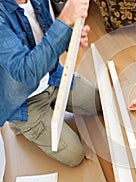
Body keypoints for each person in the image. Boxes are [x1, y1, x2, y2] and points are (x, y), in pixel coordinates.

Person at [0, 0, 102, 166]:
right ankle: (20, 124)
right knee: (75, 155)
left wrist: (68, 35)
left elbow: (46, 34)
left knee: (100, 101)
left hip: (53, 78)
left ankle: (52, 104)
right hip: (25, 102)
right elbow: (26, 73)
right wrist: (64, 21)